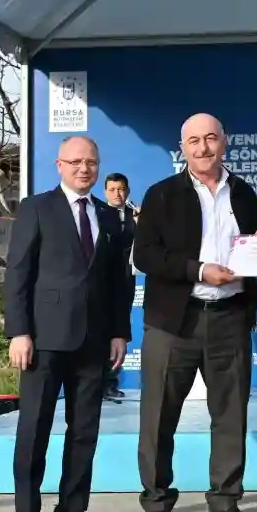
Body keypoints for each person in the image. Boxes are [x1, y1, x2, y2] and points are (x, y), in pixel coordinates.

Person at [131, 113, 257, 512]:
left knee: (230, 414)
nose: (203, 148)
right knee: (159, 417)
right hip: (174, 321)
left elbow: (254, 241)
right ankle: (157, 506)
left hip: (230, 318)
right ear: (183, 148)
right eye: (194, 141)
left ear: (224, 142)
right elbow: (145, 256)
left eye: (210, 138)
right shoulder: (161, 194)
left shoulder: (243, 192)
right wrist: (198, 270)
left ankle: (225, 503)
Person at [3, 136, 133, 512]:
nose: (83, 169)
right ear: (59, 165)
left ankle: (72, 511)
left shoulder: (109, 217)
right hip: (43, 340)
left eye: (90, 162)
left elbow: (119, 281)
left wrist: (120, 331)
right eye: (75, 162)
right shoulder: (37, 208)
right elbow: (18, 273)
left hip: (94, 340)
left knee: (84, 430)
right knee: (34, 428)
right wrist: (18, 332)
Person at [101, 172, 138, 403]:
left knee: (120, 329)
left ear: (128, 191)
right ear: (105, 192)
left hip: (125, 281)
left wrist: (143, 226)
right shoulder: (98, 214)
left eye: (121, 189)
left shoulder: (138, 215)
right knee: (100, 330)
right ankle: (97, 383)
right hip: (101, 282)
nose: (117, 194)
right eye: (112, 190)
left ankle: (111, 383)